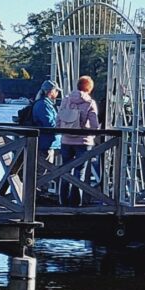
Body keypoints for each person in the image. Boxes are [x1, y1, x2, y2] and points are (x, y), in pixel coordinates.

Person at [54, 75, 100, 204]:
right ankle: (75, 202)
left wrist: (62, 132)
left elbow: (58, 119)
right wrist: (92, 135)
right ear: (89, 88)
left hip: (66, 140)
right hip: (83, 141)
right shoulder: (89, 102)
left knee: (66, 170)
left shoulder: (66, 100)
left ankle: (63, 201)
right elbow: (95, 125)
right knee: (80, 172)